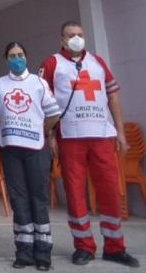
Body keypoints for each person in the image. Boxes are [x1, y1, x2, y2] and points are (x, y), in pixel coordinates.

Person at [40, 22, 139, 267]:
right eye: (71, 35)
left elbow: (112, 95)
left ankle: (115, 247)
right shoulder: (52, 63)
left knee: (109, 191)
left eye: (80, 35)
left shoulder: (97, 62)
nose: (76, 39)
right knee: (75, 193)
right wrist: (51, 135)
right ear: (62, 39)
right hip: (70, 137)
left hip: (102, 136)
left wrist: (120, 131)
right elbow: (45, 100)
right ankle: (84, 246)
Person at [0, 42, 60, 270]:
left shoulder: (39, 83)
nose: (17, 59)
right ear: (6, 59)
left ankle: (43, 253)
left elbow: (53, 113)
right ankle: (23, 251)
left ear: (26, 57)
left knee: (38, 199)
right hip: (11, 149)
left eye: (20, 54)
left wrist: (43, 130)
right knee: (18, 200)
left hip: (36, 149)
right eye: (12, 55)